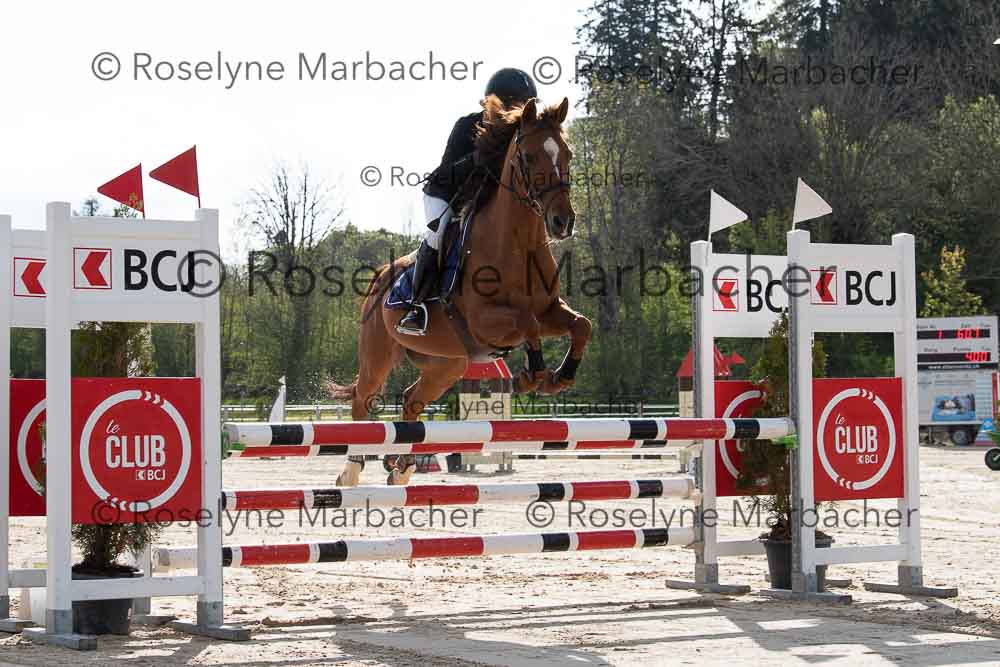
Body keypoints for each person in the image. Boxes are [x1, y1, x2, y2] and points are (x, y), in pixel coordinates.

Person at [396, 68, 538, 336]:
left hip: (481, 202)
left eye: (523, 107)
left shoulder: (522, 136)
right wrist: (475, 159)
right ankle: (415, 307)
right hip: (446, 196)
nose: (516, 114)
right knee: (438, 234)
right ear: (494, 103)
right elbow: (445, 173)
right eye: (513, 106)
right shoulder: (466, 126)